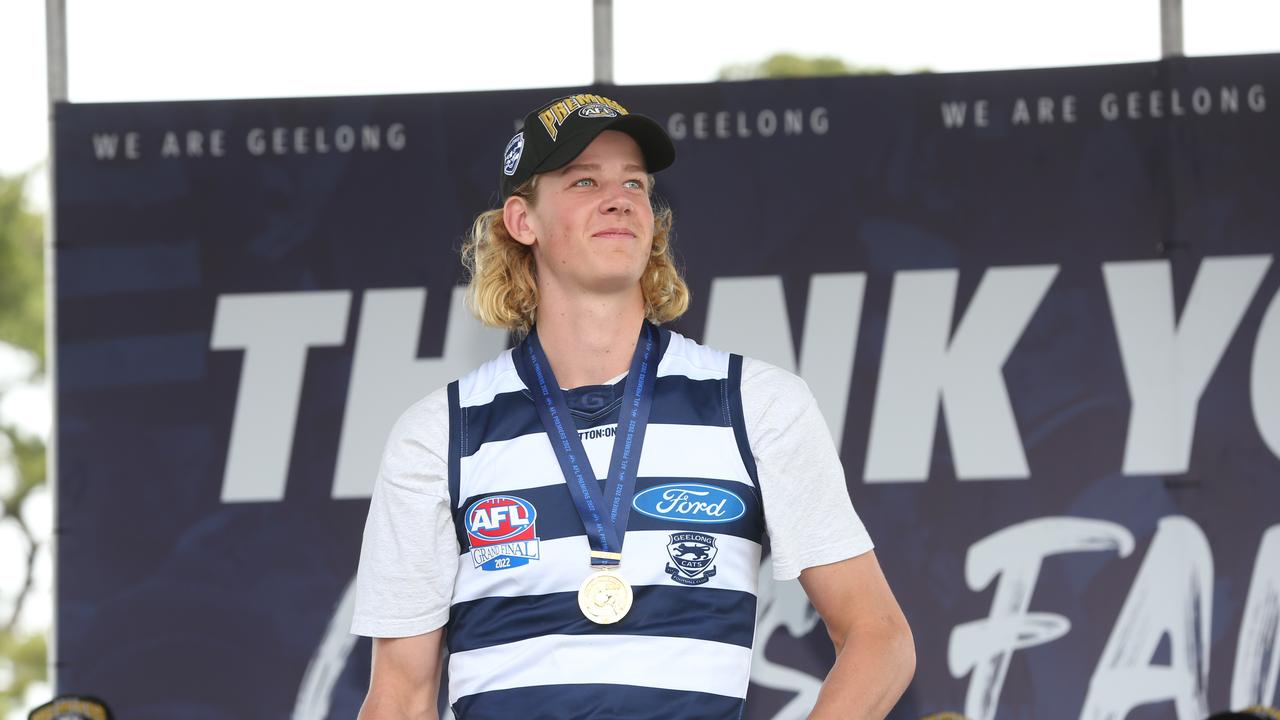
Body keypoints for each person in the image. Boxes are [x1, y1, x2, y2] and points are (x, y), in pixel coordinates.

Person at [351, 92, 915, 719]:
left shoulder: (756, 403)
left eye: (636, 183)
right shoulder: (440, 432)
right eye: (584, 180)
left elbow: (880, 638)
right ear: (521, 220)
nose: (618, 197)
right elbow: (399, 695)